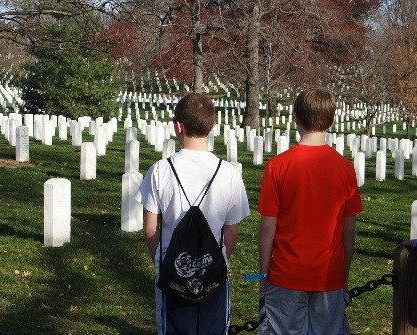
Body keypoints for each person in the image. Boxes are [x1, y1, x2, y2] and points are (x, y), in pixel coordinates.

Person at [135, 92, 250, 335]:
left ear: (178, 126)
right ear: (213, 127)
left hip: (171, 271)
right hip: (214, 272)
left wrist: (161, 261)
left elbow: (150, 228)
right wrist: (218, 260)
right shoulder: (228, 173)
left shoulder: (159, 171)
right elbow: (231, 231)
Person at [257, 89, 363, 334]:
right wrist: (344, 275)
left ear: (295, 117)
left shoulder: (278, 166)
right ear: (332, 119)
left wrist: (263, 274)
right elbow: (348, 231)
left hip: (286, 275)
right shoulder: (345, 169)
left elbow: (267, 229)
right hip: (329, 275)